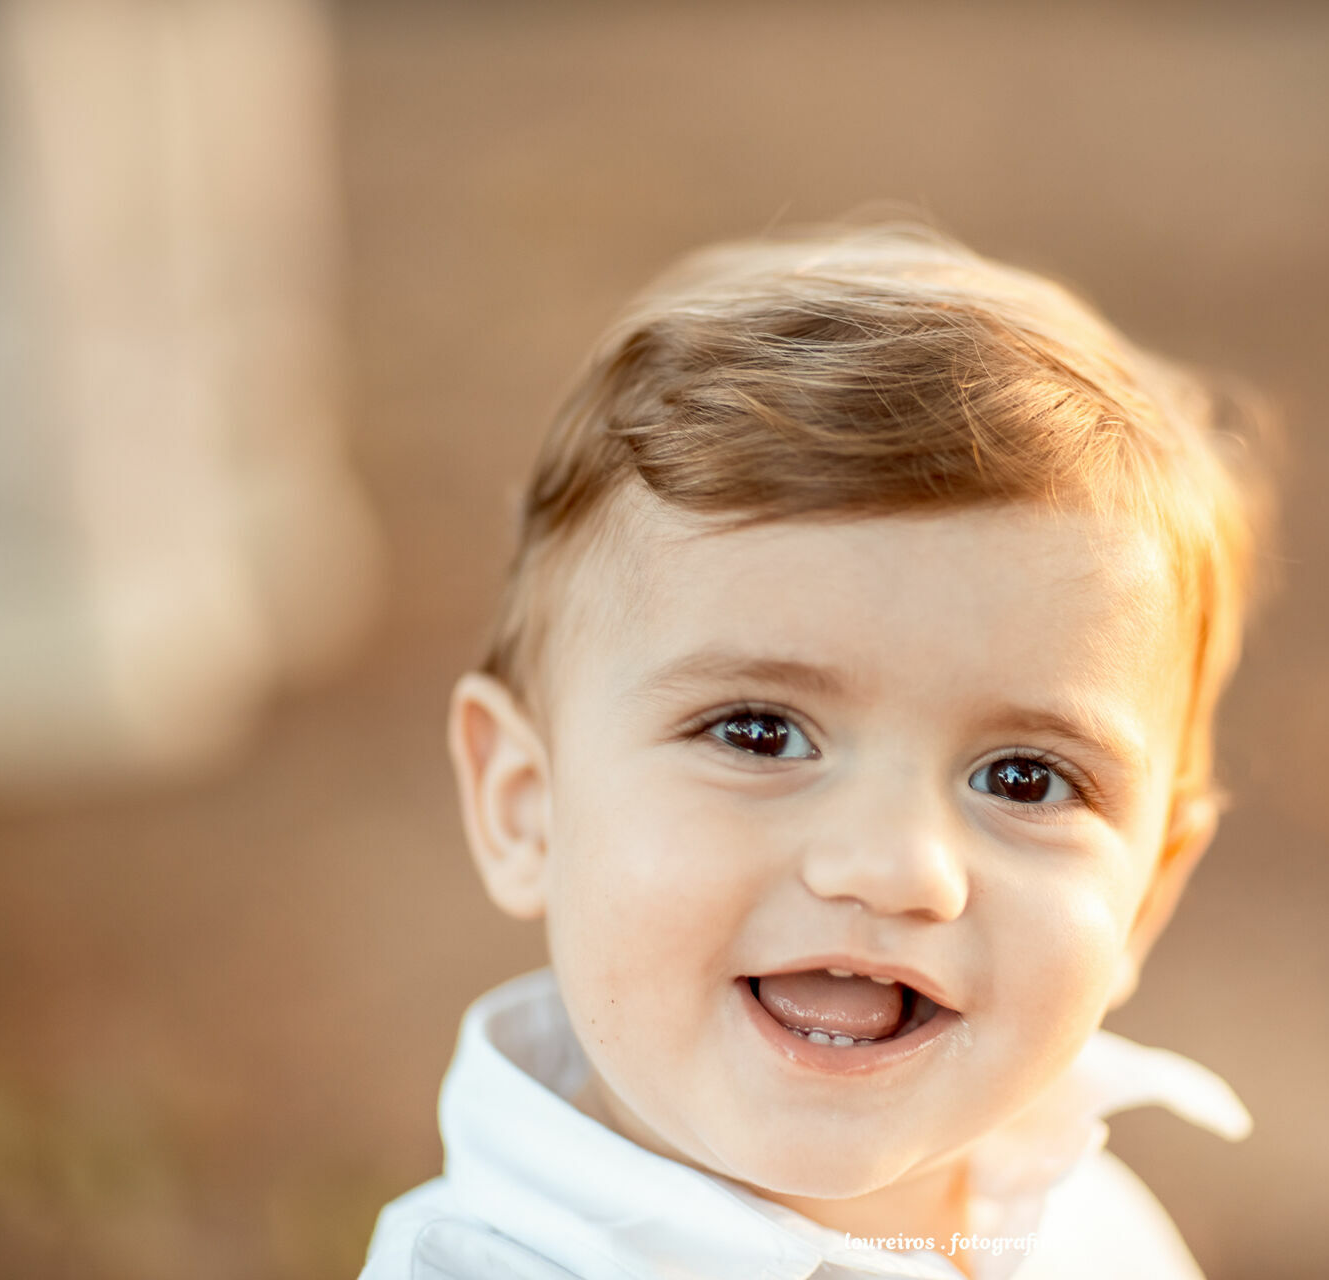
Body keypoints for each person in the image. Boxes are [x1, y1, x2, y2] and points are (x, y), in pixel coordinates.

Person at [360, 222, 1274, 1280]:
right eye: (760, 731)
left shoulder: (1076, 1210)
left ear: (1147, 898)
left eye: (1023, 776)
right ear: (528, 803)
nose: (892, 864)